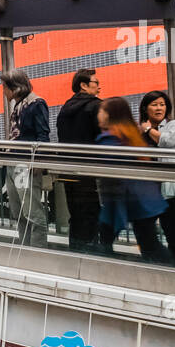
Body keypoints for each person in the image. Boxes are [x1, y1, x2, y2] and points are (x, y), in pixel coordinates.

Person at [95, 97, 170, 263]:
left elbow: (110, 175)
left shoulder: (110, 140)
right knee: (149, 242)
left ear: (110, 115)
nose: (98, 115)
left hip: (126, 200)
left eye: (101, 111)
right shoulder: (131, 135)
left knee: (147, 244)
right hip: (143, 199)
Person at [56, 68, 104, 251]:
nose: (99, 87)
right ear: (83, 85)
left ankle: (75, 254)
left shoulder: (65, 108)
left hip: (69, 171)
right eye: (96, 83)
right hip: (92, 171)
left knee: (76, 214)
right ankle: (91, 256)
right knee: (92, 214)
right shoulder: (97, 106)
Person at [2, 68, 51, 246]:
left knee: (32, 212)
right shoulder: (19, 105)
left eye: (5, 87)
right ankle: (26, 249)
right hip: (13, 163)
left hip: (26, 164)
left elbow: (43, 135)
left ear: (14, 88)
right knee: (19, 212)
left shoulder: (36, 103)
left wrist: (38, 162)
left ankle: (38, 253)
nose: (3, 91)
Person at [138, 90, 175, 263]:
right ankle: (153, 260)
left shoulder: (174, 125)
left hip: (168, 188)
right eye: (154, 104)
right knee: (144, 227)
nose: (159, 108)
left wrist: (149, 129)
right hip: (148, 188)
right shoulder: (139, 131)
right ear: (145, 108)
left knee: (171, 229)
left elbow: (166, 141)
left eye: (162, 104)